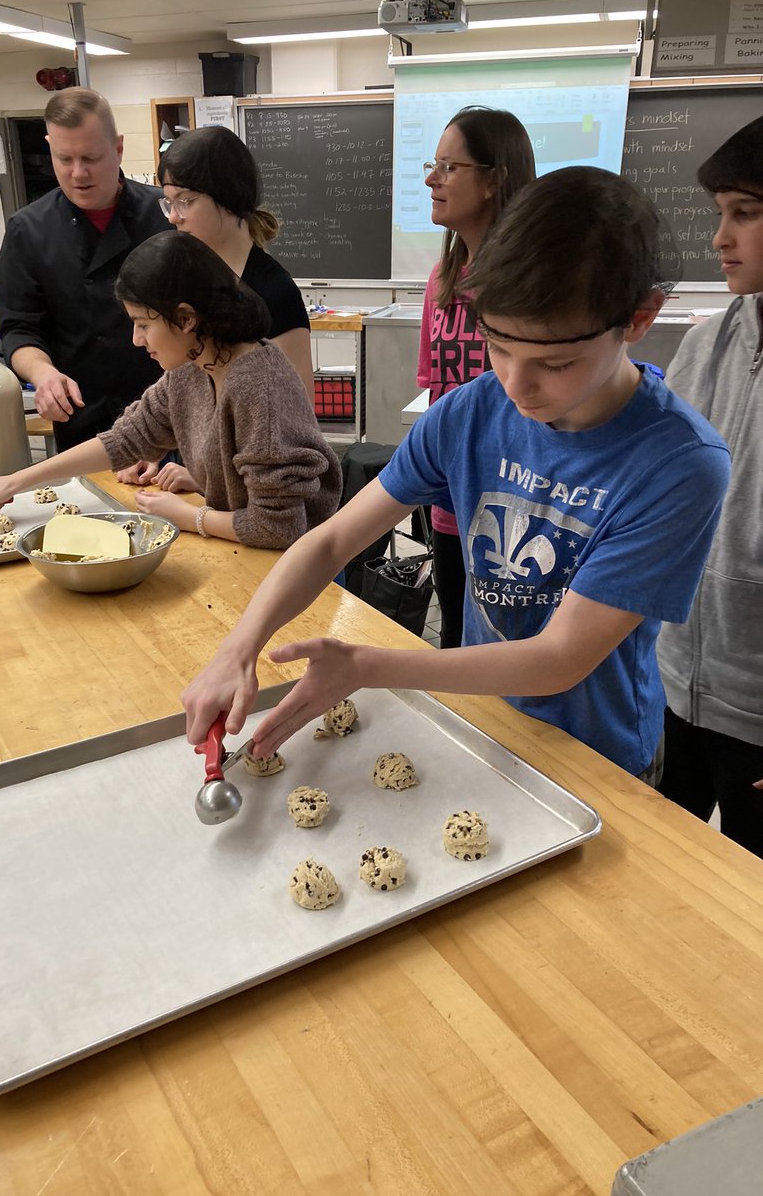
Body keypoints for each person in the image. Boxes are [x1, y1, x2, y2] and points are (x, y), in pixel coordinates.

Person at [182, 167, 730, 787]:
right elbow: (333, 540)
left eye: (555, 362)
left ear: (638, 319)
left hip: (597, 751)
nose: (517, 387)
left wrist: (363, 664)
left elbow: (559, 660)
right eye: (499, 347)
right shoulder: (472, 411)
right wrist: (239, 648)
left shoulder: (679, 463)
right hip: (484, 712)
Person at [0, 233, 342, 550]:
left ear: (186, 318)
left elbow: (279, 528)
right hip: (252, 555)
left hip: (301, 570)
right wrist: (14, 482)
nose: (136, 339)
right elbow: (126, 440)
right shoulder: (195, 366)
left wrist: (190, 517)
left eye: (143, 324)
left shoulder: (259, 386)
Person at [655, 115, 763, 857]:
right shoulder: (710, 338)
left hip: (757, 712)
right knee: (661, 877)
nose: (721, 238)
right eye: (720, 214)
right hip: (672, 682)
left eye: (746, 214)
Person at [116, 125, 315, 487]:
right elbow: (189, 391)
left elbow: (293, 419)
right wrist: (149, 449)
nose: (174, 216)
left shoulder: (273, 290)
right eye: (168, 202)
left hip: (258, 498)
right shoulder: (187, 274)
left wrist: (203, 477)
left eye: (186, 201)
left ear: (228, 197)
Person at [0, 87, 171, 451]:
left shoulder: (166, 216)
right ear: (49, 148)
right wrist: (42, 374)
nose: (78, 173)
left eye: (91, 157)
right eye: (64, 159)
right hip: (82, 417)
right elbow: (19, 329)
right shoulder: (28, 230)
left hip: (169, 416)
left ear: (119, 148)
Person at [420, 106, 536, 648]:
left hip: (513, 510)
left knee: (509, 655)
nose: (431, 179)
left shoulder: (528, 280)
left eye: (449, 167)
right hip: (450, 501)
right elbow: (436, 394)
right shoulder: (441, 279)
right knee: (454, 644)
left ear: (493, 180)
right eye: (433, 164)